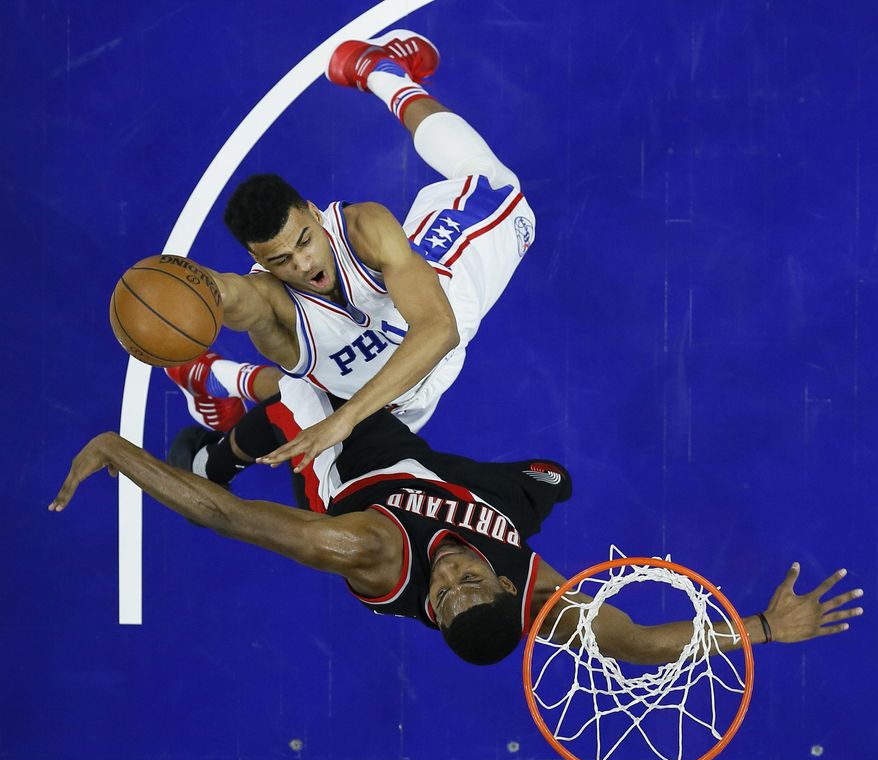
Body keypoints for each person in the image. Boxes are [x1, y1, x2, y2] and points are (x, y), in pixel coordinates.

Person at [50, 378, 863, 665]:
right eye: (475, 578)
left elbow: (226, 520)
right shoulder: (529, 595)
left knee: (309, 382)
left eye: (447, 592)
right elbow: (642, 643)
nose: (454, 573)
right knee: (554, 480)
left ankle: (216, 435)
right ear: (507, 591)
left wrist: (117, 449)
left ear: (432, 611)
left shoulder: (367, 551)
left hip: (364, 467)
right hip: (459, 488)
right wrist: (764, 629)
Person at [164, 29, 536, 474]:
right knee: (301, 424)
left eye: (304, 240)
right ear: (259, 262)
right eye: (281, 260)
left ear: (314, 213)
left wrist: (347, 417)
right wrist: (169, 292)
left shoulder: (362, 228)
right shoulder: (269, 302)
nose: (303, 264)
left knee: (498, 187)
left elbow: (440, 329)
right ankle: (209, 408)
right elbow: (220, 293)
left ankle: (379, 71)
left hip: (436, 317)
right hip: (369, 408)